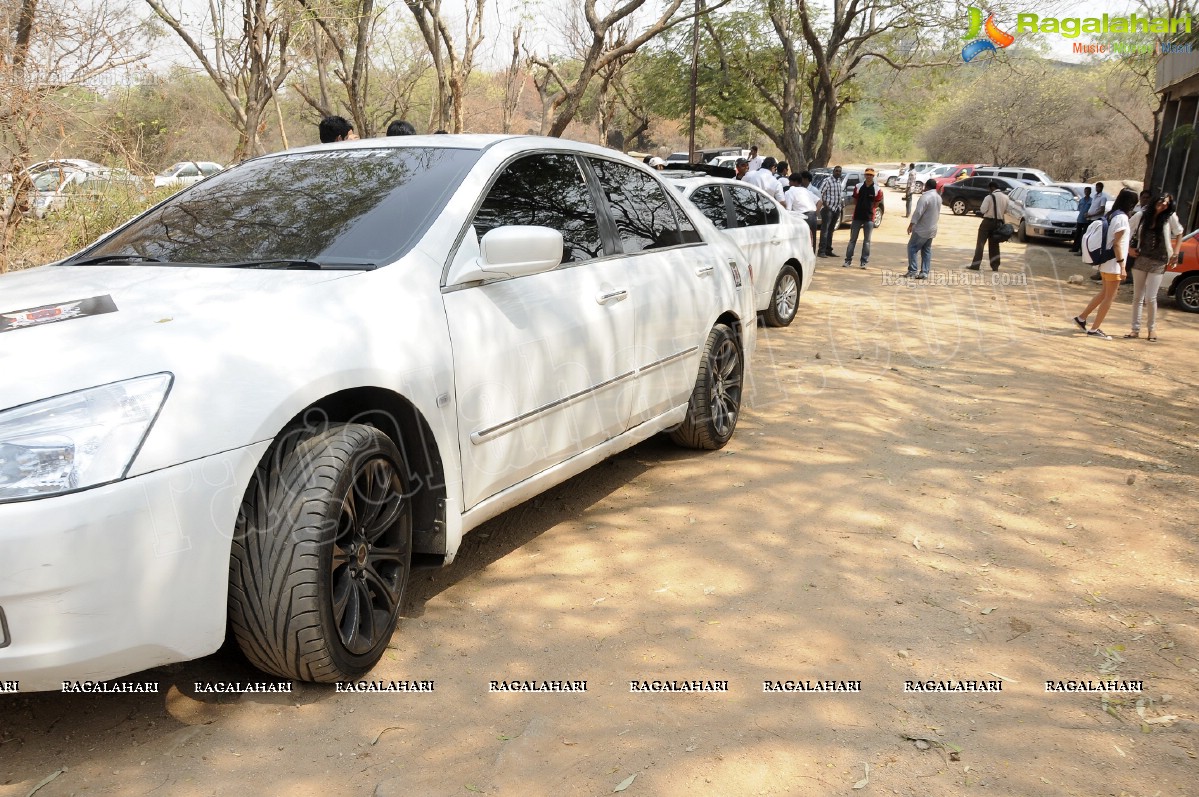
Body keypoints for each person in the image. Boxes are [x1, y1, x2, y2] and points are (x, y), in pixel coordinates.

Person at [1072, 187, 1137, 339]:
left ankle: (1081, 318)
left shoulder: (1112, 214)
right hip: (1113, 263)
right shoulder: (1121, 218)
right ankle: (1095, 329)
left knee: (1104, 294)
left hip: (1106, 261)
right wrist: (1122, 266)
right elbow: (1116, 244)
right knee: (1110, 297)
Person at [1125, 193, 1182, 341]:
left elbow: (1179, 232)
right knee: (1137, 297)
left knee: (1151, 297)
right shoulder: (1141, 215)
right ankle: (1134, 329)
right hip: (1140, 258)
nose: (1163, 204)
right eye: (1162, 201)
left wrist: (1175, 252)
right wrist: (1129, 249)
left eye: (1167, 203)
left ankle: (1152, 330)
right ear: (1155, 200)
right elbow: (1127, 230)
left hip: (1159, 260)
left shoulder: (1170, 217)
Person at [843, 168, 882, 269]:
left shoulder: (878, 189)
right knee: (852, 240)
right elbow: (855, 200)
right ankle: (848, 260)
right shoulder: (858, 186)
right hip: (857, 217)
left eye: (871, 175)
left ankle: (864, 261)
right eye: (867, 175)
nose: (869, 176)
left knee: (867, 241)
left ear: (873, 176)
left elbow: (877, 203)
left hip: (869, 218)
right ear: (865, 175)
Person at [967, 181, 1009, 271]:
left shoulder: (989, 197)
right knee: (994, 245)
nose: (988, 191)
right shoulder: (1006, 198)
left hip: (987, 222)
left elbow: (983, 210)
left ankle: (975, 265)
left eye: (988, 189)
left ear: (991, 188)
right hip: (998, 223)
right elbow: (1006, 211)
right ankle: (995, 266)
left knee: (980, 244)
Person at [905, 178, 942, 279]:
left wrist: (911, 224)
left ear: (926, 186)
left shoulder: (925, 197)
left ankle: (912, 271)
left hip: (922, 228)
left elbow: (918, 212)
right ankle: (924, 272)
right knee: (926, 249)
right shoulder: (938, 197)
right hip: (932, 228)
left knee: (912, 247)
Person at [786, 171, 822, 250]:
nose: (789, 183)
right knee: (812, 241)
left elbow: (788, 209)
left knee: (802, 241)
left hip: (803, 217)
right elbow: (819, 201)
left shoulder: (789, 192)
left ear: (794, 182)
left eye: (790, 181)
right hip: (813, 216)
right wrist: (815, 213)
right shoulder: (806, 190)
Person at [818, 165, 846, 257]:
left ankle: (828, 250)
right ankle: (821, 251)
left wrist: (840, 206)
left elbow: (839, 195)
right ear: (833, 171)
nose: (838, 172)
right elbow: (820, 193)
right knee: (825, 230)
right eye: (836, 171)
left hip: (836, 209)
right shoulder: (827, 181)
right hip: (828, 209)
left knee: (831, 230)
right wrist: (825, 205)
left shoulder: (839, 181)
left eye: (839, 171)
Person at [1069, 187, 1092, 253]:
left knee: (1084, 235)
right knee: (1077, 235)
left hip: (1087, 220)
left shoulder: (1091, 201)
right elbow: (1079, 209)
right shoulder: (1081, 200)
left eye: (1088, 191)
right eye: (1085, 191)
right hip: (1080, 219)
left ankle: (1082, 249)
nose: (1086, 193)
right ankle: (1074, 248)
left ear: (1090, 192)